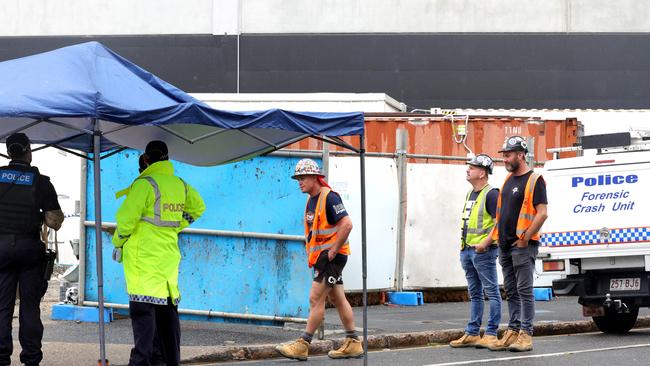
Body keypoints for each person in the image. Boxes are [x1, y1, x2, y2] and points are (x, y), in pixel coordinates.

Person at [112, 141, 205, 366]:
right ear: (166, 158)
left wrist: (118, 242)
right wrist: (176, 226)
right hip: (167, 263)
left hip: (143, 261)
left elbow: (126, 220)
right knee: (167, 321)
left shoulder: (144, 184)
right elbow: (198, 207)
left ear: (145, 160)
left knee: (143, 321)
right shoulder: (179, 184)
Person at [275, 159, 363, 361]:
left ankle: (303, 344)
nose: (299, 182)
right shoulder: (311, 200)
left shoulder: (329, 197)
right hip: (323, 258)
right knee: (337, 298)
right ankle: (353, 342)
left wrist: (332, 252)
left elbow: (347, 225)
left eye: (303, 177)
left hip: (331, 258)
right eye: (298, 178)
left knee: (315, 298)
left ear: (315, 177)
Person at [0, 133, 64, 366]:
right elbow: (54, 222)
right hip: (29, 249)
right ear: (29, 151)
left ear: (9, 152)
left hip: (1, 249)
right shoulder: (41, 182)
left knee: (2, 306)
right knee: (29, 306)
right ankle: (31, 358)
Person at [481, 136, 548, 352]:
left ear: (521, 154)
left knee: (524, 290)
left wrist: (526, 238)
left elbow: (542, 213)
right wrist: (493, 239)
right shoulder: (508, 181)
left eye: (508, 155)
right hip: (506, 245)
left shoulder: (535, 179)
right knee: (511, 289)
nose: (505, 159)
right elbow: (501, 216)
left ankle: (526, 334)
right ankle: (514, 330)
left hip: (522, 245)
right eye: (504, 155)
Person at [449, 154, 501, 349]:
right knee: (475, 293)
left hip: (483, 252)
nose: (468, 169)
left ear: (482, 173)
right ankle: (472, 333)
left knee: (492, 292)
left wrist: (486, 243)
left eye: (472, 167)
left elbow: (499, 222)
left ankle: (491, 333)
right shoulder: (470, 193)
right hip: (468, 250)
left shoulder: (492, 194)